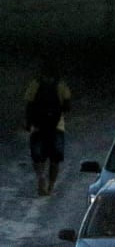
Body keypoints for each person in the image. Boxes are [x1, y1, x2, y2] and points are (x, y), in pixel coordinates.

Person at [22, 60, 70, 196]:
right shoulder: (61, 85)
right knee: (55, 159)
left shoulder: (35, 84)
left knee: (38, 157)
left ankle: (41, 177)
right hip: (57, 127)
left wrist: (28, 123)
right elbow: (67, 106)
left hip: (37, 126)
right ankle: (51, 186)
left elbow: (28, 104)